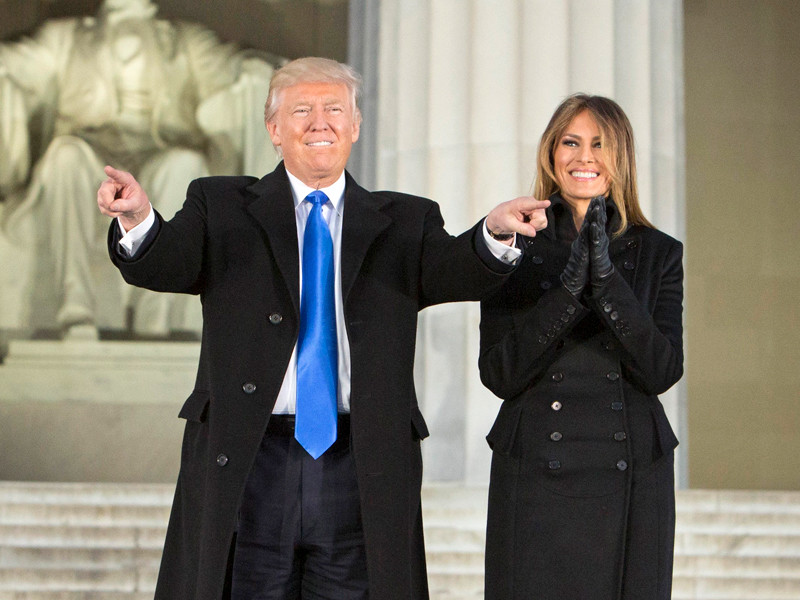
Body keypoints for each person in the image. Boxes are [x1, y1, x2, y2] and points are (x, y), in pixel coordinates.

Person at [96, 57, 550, 600]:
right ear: (273, 129)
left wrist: (494, 233)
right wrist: (137, 218)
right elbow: (167, 261)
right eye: (301, 110)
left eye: (334, 109)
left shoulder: (406, 221)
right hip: (251, 460)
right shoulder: (220, 207)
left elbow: (457, 269)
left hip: (361, 465)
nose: (320, 122)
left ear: (354, 126)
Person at [478, 94, 683, 599]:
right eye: (570, 142)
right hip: (534, 472)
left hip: (633, 472)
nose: (584, 157)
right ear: (552, 153)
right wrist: (568, 291)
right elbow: (498, 373)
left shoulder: (659, 252)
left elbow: (662, 370)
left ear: (622, 157)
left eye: (599, 144)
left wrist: (607, 282)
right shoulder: (513, 245)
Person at [0, 0, 276, 338]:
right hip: (89, 153)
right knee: (64, 156)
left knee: (186, 164)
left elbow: (232, 67)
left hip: (159, 150)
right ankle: (75, 304)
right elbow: (17, 63)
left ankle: (154, 314)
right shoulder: (65, 37)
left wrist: (261, 69)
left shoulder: (185, 40)